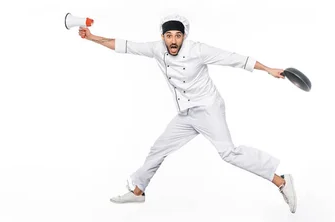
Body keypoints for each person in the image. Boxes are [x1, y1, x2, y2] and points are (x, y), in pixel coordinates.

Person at [78, 14, 297, 213]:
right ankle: (138, 192)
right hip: (186, 113)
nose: (173, 41)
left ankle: (282, 181)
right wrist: (91, 37)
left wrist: (267, 68)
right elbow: (122, 45)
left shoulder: (197, 50)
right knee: (159, 148)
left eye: (178, 36)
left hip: (209, 109)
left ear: (184, 36)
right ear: (162, 37)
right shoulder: (157, 49)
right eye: (169, 36)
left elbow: (235, 59)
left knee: (228, 153)